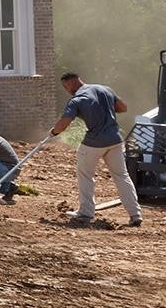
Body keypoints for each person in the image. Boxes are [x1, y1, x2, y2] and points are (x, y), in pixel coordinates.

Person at [51, 71, 141, 227]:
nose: (66, 90)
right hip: (115, 140)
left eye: (66, 86)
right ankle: (135, 214)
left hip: (94, 142)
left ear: (72, 82)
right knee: (122, 176)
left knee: (85, 175)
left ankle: (86, 213)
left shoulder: (77, 100)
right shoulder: (104, 89)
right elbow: (122, 107)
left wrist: (54, 132)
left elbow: (65, 122)